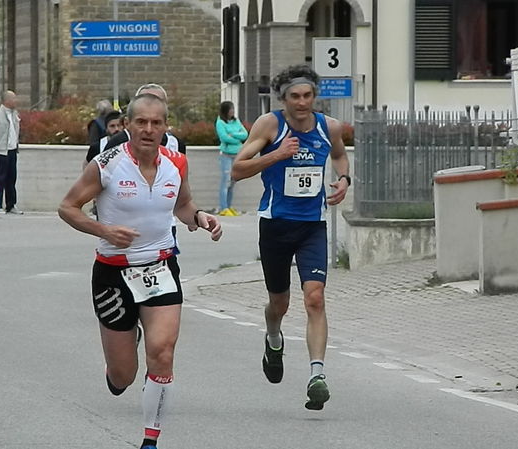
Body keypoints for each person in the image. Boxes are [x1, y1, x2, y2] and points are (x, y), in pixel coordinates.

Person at [58, 93, 222, 449]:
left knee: (162, 351)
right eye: (141, 122)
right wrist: (104, 231)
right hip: (113, 273)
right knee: (123, 377)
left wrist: (200, 217)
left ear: (166, 127)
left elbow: (183, 204)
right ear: (128, 125)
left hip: (160, 266)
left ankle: (151, 439)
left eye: (156, 123)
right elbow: (68, 207)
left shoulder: (176, 163)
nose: (149, 130)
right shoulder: (107, 164)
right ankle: (120, 361)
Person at [231, 64, 350, 411]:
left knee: (315, 298)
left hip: (312, 225)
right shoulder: (270, 125)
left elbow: (340, 156)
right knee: (279, 304)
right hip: (276, 225)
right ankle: (273, 338)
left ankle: (317, 376)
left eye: (308, 96)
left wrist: (344, 181)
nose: (302, 103)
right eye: (294, 96)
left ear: (315, 96)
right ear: (283, 98)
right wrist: (277, 155)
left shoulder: (329, 127)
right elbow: (238, 169)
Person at [105, 84, 186, 155]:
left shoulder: (176, 145)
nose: (148, 129)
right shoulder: (116, 144)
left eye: (157, 101)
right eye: (141, 122)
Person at [215, 101, 247, 216]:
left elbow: (245, 134)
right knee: (225, 181)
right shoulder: (220, 122)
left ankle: (229, 206)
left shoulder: (236, 120)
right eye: (230, 109)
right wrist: (236, 137)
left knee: (233, 181)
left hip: (237, 155)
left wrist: (232, 134)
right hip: (226, 155)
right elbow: (224, 138)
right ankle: (223, 207)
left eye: (233, 109)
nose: (232, 111)